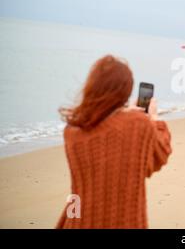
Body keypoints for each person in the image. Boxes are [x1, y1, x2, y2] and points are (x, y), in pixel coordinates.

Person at [56, 55, 172, 229]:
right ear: (125, 91)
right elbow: (157, 157)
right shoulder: (137, 123)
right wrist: (153, 118)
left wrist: (124, 112)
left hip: (77, 221)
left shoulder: (72, 132)